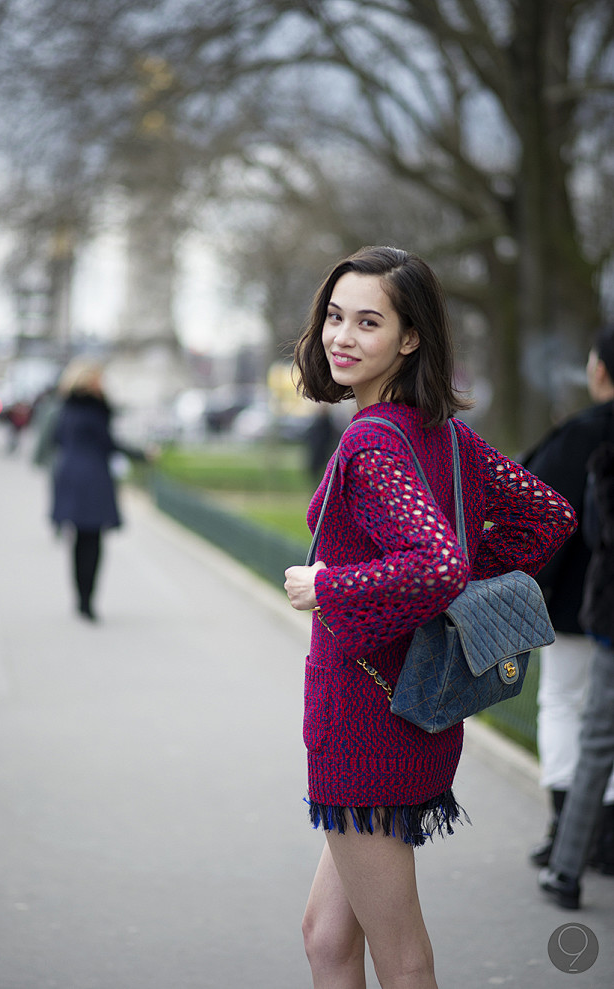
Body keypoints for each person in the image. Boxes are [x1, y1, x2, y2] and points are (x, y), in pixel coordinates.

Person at [283, 246, 576, 989]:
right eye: (335, 317)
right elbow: (548, 517)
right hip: (410, 706)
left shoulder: (374, 438)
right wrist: (464, 587)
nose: (341, 337)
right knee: (325, 935)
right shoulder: (442, 433)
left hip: (366, 718)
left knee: (402, 953)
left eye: (368, 322)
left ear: (410, 338)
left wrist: (330, 586)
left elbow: (435, 562)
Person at [523, 325, 614, 870]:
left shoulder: (578, 436)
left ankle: (568, 827)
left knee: (564, 704)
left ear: (598, 370)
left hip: (582, 607)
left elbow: (538, 521)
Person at [539, 440, 614, 908]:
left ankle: (566, 870)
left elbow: (592, 533)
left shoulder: (598, 452)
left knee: (596, 741)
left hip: (610, 621)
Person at [51, 359, 146, 621]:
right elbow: (109, 443)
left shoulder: (66, 407)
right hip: (92, 478)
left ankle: (80, 598)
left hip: (69, 475)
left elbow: (55, 438)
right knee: (92, 541)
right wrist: (142, 454)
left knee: (79, 540)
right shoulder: (94, 409)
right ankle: (87, 601)